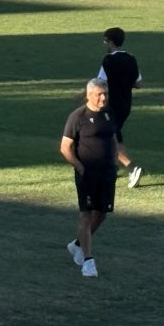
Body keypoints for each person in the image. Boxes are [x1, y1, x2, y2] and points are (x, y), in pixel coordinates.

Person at [60, 79, 118, 278]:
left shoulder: (110, 114)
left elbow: (114, 140)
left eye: (105, 94)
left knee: (101, 214)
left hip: (108, 173)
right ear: (89, 95)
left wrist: (118, 162)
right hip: (87, 175)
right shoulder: (78, 117)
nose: (103, 98)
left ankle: (77, 244)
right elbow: (65, 147)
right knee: (86, 215)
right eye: (99, 94)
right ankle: (88, 261)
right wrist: (80, 167)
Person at [97, 27, 143, 188]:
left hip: (111, 106)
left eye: (105, 40)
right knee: (113, 136)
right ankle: (109, 168)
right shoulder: (131, 59)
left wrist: (82, 94)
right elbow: (138, 83)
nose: (104, 43)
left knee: (109, 138)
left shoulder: (108, 60)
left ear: (110, 41)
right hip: (126, 105)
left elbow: (99, 84)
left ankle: (132, 168)